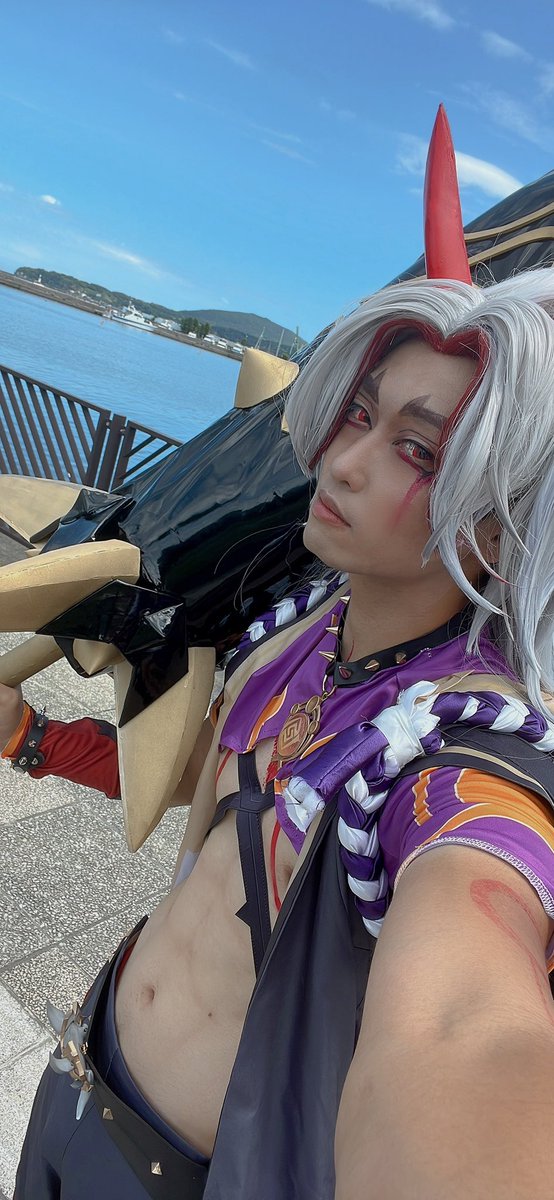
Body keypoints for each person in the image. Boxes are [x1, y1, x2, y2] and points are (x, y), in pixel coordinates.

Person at [9, 112, 554, 1196]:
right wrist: (31, 740)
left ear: (499, 528)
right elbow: (214, 797)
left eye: (413, 448)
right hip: (78, 1073)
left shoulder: (467, 756)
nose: (342, 463)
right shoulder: (298, 629)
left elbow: (463, 1013)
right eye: (358, 415)